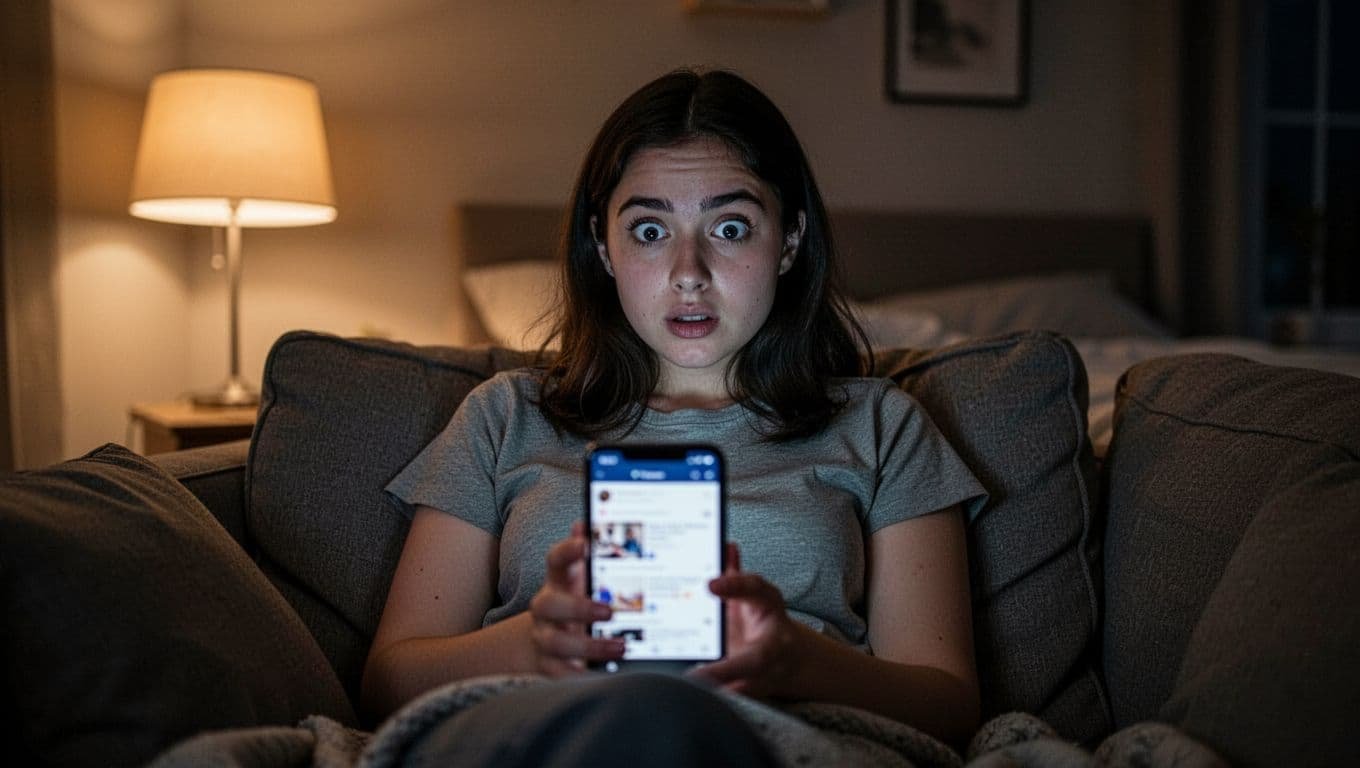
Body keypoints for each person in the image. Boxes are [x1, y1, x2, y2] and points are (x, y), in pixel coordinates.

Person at [361, 68, 987, 763]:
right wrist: (532, 645)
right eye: (650, 230)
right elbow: (388, 683)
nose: (689, 271)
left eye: (730, 227)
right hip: (544, 736)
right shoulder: (502, 417)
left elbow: (950, 707)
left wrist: (800, 662)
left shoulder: (883, 427)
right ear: (603, 246)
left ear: (789, 241)